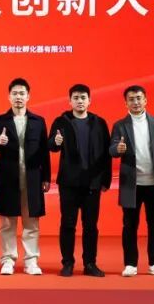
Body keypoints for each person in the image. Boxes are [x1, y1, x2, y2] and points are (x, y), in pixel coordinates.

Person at [110, 85, 154, 277]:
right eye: (131, 99)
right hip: (132, 185)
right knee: (129, 225)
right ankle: (130, 264)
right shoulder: (120, 125)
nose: (136, 102)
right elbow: (111, 149)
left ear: (145, 100)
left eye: (139, 98)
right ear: (126, 103)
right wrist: (117, 150)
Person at [0, 78, 50, 276]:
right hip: (8, 178)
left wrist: (46, 177)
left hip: (32, 178)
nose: (18, 97)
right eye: (14, 93)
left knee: (31, 222)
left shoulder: (38, 122)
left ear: (28, 96)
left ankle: (31, 260)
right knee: (7, 222)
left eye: (22, 93)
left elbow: (44, 152)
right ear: (9, 96)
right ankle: (8, 260)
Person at [48, 83, 112, 278]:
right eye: (76, 98)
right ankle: (67, 263)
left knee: (90, 226)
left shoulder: (99, 123)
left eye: (83, 98)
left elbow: (107, 153)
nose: (80, 101)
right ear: (70, 101)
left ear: (89, 100)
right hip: (69, 183)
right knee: (68, 224)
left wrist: (105, 180)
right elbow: (51, 146)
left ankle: (90, 263)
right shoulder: (61, 121)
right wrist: (55, 142)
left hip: (92, 182)